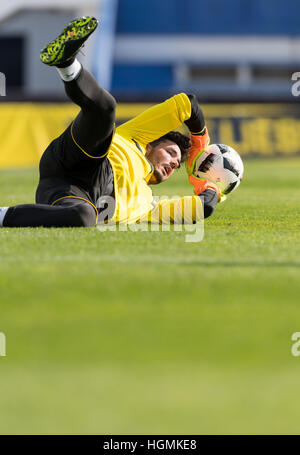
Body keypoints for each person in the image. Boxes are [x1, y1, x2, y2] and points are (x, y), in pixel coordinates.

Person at [0, 16, 221, 229]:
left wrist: (208, 185)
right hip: (86, 157)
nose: (173, 164)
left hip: (67, 190)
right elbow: (188, 104)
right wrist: (200, 143)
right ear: (151, 144)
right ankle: (67, 63)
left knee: (83, 217)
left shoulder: (148, 207)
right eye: (172, 153)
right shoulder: (135, 137)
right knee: (106, 110)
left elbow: (202, 209)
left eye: (176, 165)